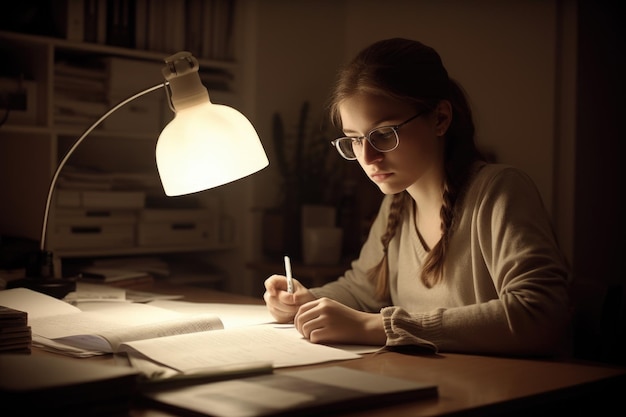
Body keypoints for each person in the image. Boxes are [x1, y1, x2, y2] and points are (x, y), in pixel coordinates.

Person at [263, 38, 572, 357]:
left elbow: (540, 316)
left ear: (440, 118)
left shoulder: (499, 192)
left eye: (383, 134)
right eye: (355, 140)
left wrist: (377, 328)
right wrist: (305, 301)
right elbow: (361, 289)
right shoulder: (397, 204)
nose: (368, 158)